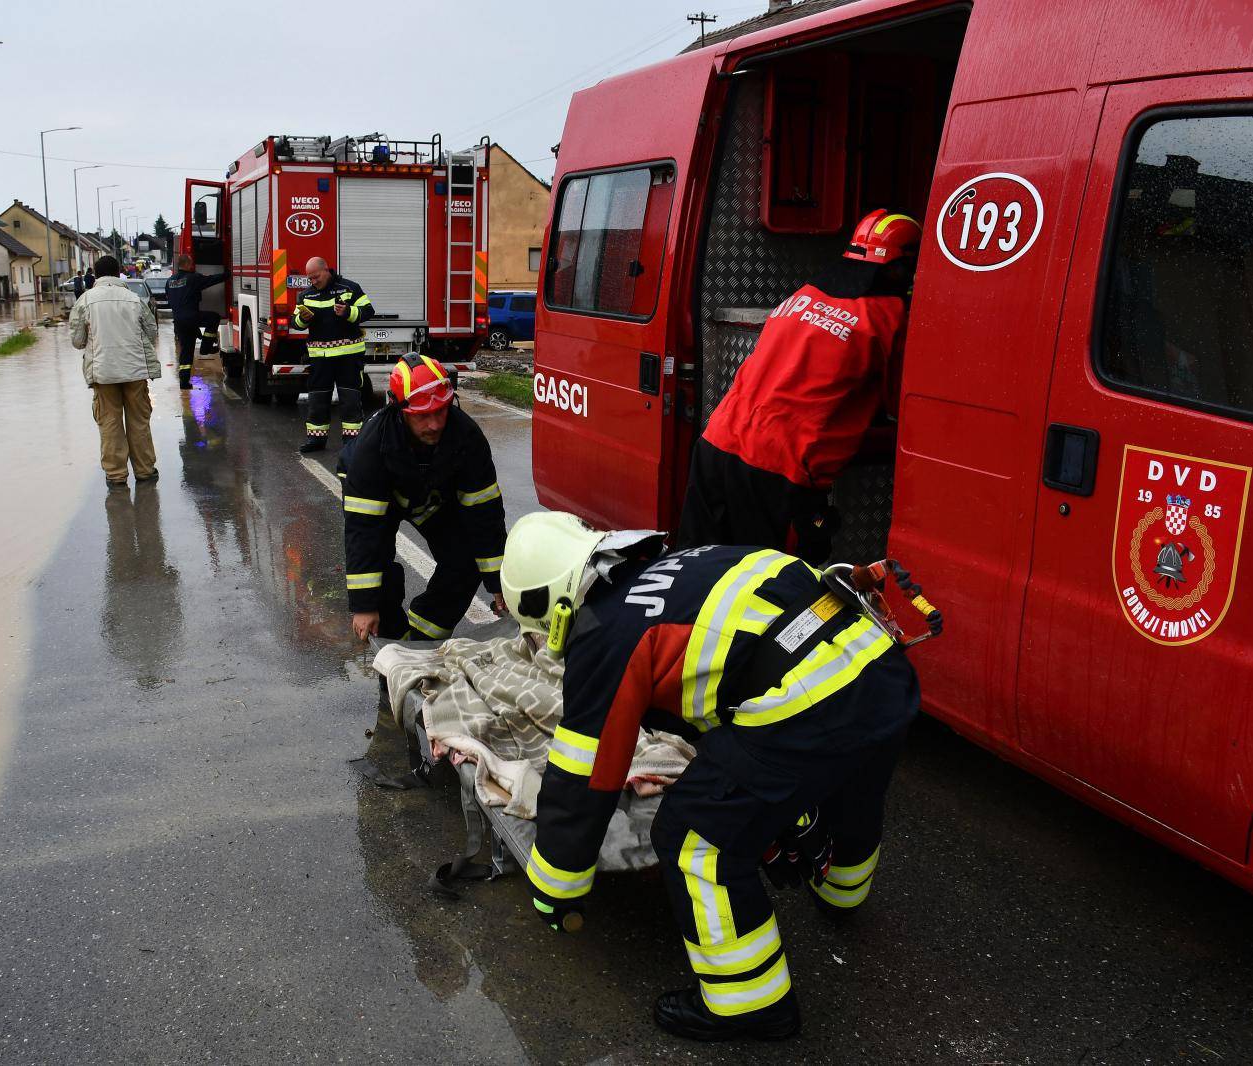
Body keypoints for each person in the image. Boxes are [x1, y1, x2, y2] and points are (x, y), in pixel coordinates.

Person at [499, 511, 920, 1042]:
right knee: (852, 785)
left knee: (694, 835)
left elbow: (583, 775)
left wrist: (555, 886)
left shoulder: (604, 633)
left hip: (808, 709)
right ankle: (843, 893)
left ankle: (749, 1005)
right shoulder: (689, 562)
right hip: (879, 673)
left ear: (549, 604)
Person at [675, 210, 921, 563]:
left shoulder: (804, 294)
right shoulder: (889, 317)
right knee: (769, 591)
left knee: (695, 572)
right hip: (777, 472)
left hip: (716, 444)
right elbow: (905, 408)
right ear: (904, 268)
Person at [341, 353, 507, 642]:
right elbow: (363, 532)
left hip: (426, 495)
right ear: (400, 410)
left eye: (440, 411)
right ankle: (394, 655)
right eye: (422, 416)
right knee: (378, 574)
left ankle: (423, 641)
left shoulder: (466, 437)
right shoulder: (372, 448)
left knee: (464, 561)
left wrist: (499, 583)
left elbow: (485, 515)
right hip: (379, 499)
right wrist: (363, 606)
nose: (434, 425)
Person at [70, 255, 160, 488]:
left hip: (103, 372)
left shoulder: (85, 300)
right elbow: (151, 332)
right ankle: (145, 471)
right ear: (119, 273)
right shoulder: (134, 299)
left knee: (109, 422)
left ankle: (116, 475)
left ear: (96, 275)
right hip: (135, 371)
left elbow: (77, 340)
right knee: (139, 422)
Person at [293, 256, 373, 453]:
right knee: (318, 399)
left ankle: (352, 442)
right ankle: (316, 440)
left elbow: (368, 311)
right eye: (310, 279)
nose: (313, 282)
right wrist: (303, 319)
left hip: (349, 356)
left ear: (326, 270)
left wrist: (348, 312)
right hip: (320, 358)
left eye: (316, 277)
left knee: (350, 400)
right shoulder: (305, 296)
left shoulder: (350, 288)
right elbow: (295, 323)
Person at [166, 254, 227, 390]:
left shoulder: (170, 281)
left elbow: (170, 299)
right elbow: (210, 280)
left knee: (186, 351)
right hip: (192, 316)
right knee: (214, 318)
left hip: (179, 321)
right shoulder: (193, 278)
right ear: (188, 264)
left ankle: (184, 382)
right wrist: (226, 275)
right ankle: (206, 348)